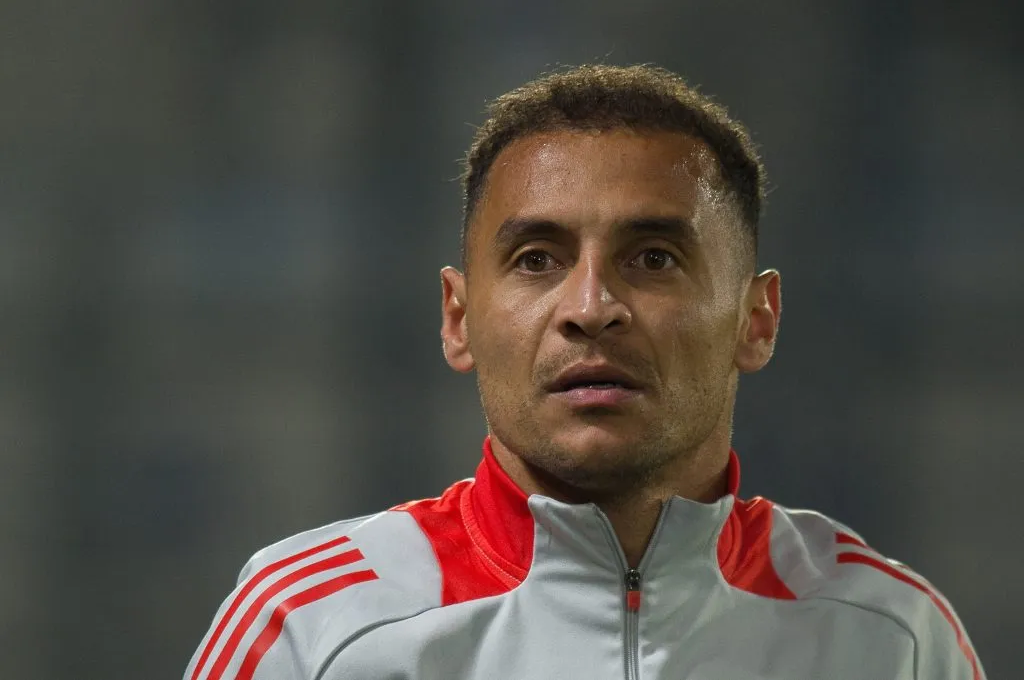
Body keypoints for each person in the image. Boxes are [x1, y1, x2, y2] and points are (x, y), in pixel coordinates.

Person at [184, 64, 986, 680]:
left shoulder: (890, 636)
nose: (592, 305)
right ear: (458, 318)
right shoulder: (310, 626)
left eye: (654, 257)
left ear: (757, 318)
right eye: (537, 259)